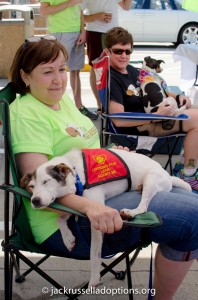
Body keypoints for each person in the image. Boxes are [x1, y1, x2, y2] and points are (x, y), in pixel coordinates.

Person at [9, 36, 198, 300]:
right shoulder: (28, 113)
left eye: (62, 69)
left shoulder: (60, 100)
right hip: (70, 219)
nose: (59, 80)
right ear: (25, 76)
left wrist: (112, 158)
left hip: (104, 189)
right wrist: (90, 207)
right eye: (47, 71)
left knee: (189, 198)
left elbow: (84, 156)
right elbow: (36, 190)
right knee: (192, 219)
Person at [103, 26, 198, 193]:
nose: (124, 56)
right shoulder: (112, 77)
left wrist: (178, 97)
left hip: (157, 116)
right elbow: (118, 119)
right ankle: (187, 173)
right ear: (107, 51)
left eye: (128, 51)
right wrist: (156, 117)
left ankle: (186, 168)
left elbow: (156, 86)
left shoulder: (133, 70)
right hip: (140, 128)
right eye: (118, 51)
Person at [40, 0, 98, 120]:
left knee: (75, 70)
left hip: (77, 32)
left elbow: (80, 10)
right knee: (57, 70)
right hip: (59, 32)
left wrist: (83, 31)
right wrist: (69, 3)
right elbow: (44, 11)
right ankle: (57, 107)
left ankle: (78, 107)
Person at [81, 0, 133, 114]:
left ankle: (114, 104)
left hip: (113, 33)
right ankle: (100, 105)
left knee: (116, 68)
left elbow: (126, 7)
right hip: (95, 32)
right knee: (96, 69)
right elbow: (80, 16)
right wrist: (98, 16)